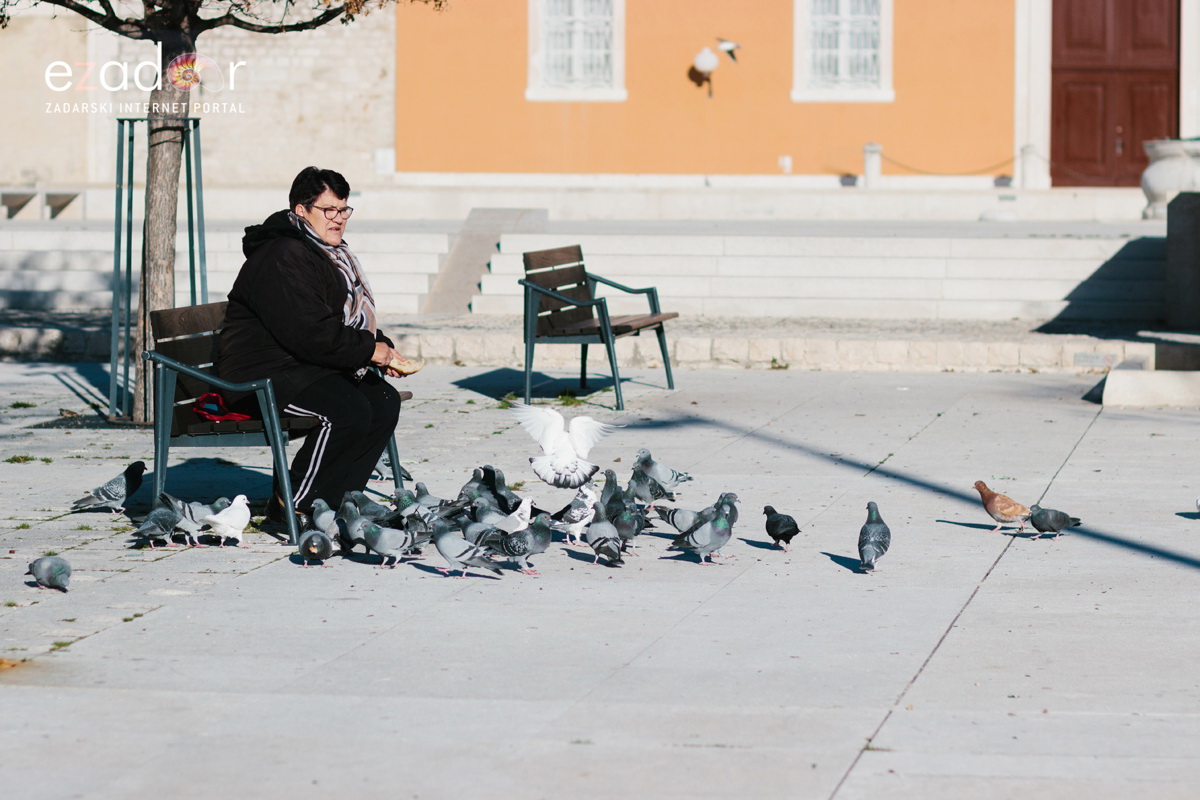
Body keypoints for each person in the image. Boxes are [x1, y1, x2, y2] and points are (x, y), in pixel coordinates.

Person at [216, 166, 412, 521]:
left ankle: (339, 500)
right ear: (301, 211)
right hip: (262, 371)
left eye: (344, 209)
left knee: (382, 402)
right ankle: (291, 504)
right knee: (345, 411)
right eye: (329, 210)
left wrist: (381, 349)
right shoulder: (283, 255)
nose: (338, 219)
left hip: (301, 364)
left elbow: (337, 319)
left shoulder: (324, 252)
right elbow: (312, 332)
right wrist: (369, 350)